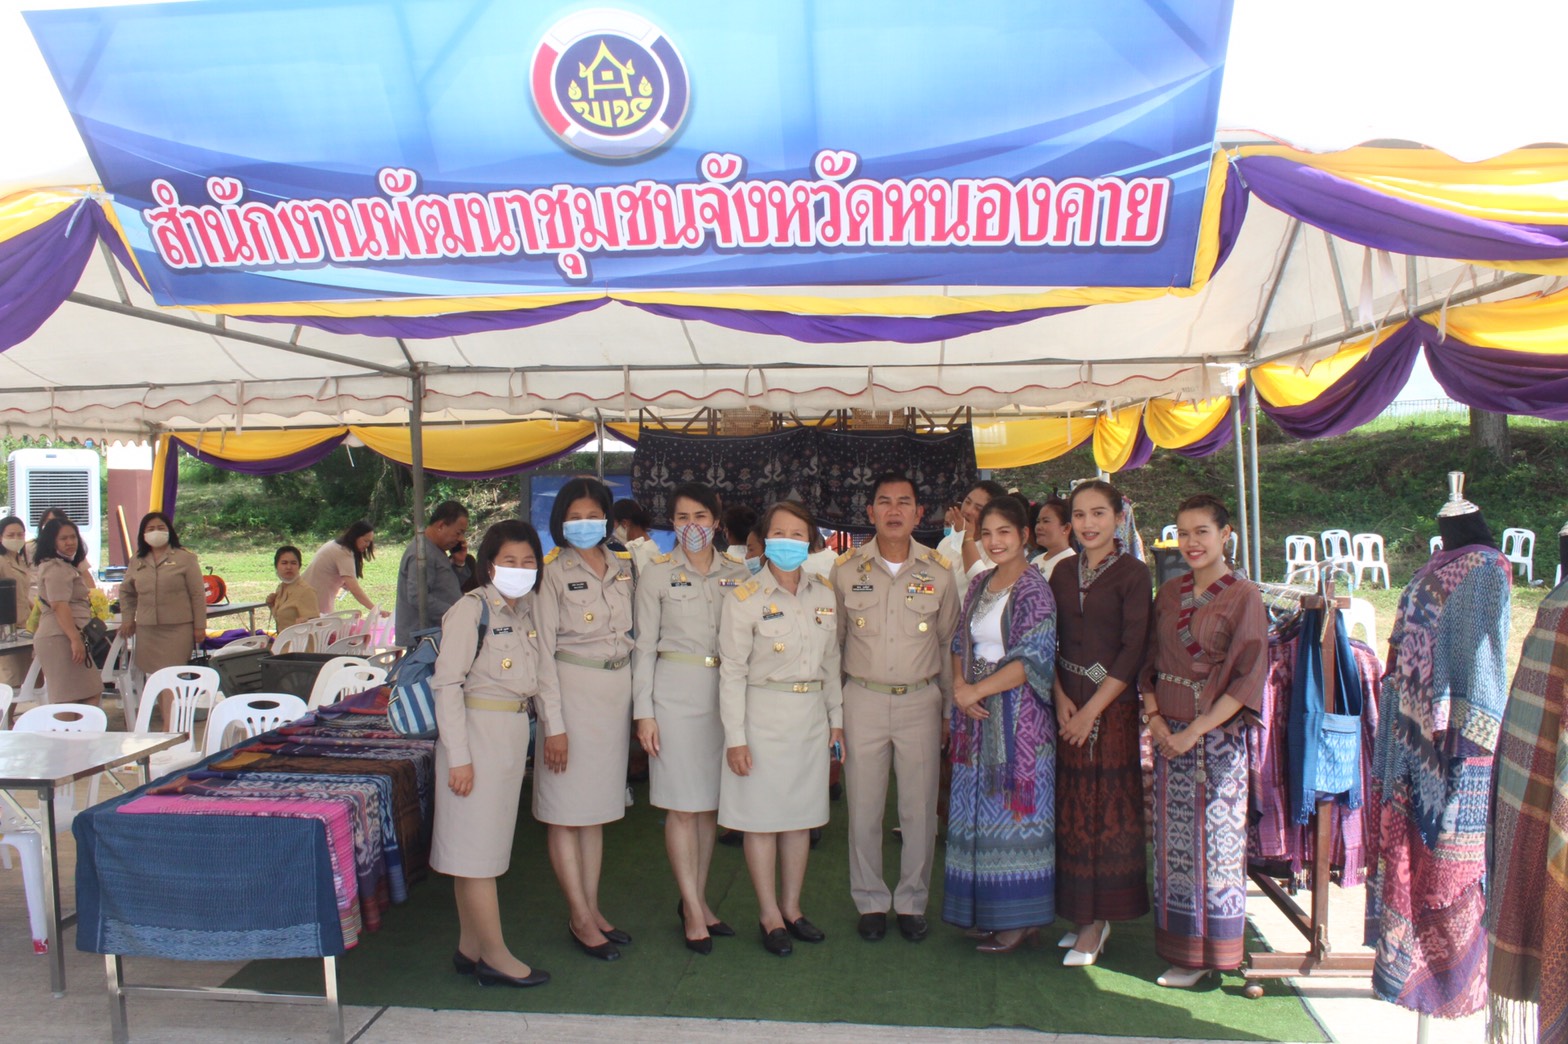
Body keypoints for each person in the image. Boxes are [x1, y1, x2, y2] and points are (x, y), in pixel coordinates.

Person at [1138, 494, 1266, 988]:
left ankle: (1217, 953)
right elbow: (1147, 663)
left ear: (1225, 535)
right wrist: (1154, 719)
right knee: (1172, 847)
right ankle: (1181, 952)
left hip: (1215, 742)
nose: (1191, 543)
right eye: (1182, 533)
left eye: (1202, 532)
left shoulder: (1244, 596)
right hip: (1168, 733)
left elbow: (1247, 677)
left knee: (1216, 846)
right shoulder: (1168, 594)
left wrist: (1196, 729)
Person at [830, 472, 959, 944]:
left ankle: (911, 901)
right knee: (863, 807)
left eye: (904, 502)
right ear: (870, 513)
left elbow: (948, 644)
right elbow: (833, 646)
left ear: (919, 514)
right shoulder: (846, 569)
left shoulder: (938, 571)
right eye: (884, 502)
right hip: (861, 697)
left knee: (919, 807)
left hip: (921, 700)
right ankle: (869, 900)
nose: (894, 510)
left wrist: (947, 710)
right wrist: (835, 714)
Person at [718, 500, 844, 957]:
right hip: (762, 717)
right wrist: (736, 738)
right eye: (780, 533)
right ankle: (769, 912)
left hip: (811, 717)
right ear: (764, 539)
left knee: (800, 818)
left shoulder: (824, 593)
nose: (789, 542)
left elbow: (831, 662)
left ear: (809, 541)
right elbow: (731, 672)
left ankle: (793, 907)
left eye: (798, 534)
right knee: (762, 821)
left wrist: (837, 720)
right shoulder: (745, 598)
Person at [430, 518, 551, 989]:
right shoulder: (471, 610)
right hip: (475, 739)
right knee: (477, 852)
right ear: (488, 565)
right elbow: (447, 684)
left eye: (527, 562)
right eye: (509, 561)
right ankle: (496, 957)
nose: (520, 569)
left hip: (508, 734)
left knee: (479, 850)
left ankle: (470, 947)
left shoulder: (524, 612)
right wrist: (459, 756)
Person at [632, 482, 749, 954]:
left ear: (717, 522)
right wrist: (644, 713)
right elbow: (642, 648)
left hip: (724, 697)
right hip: (674, 697)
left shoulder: (739, 575)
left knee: (708, 807)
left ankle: (695, 901)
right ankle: (693, 909)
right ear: (671, 524)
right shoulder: (655, 574)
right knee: (681, 807)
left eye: (701, 517)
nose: (692, 527)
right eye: (682, 518)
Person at [944, 496, 1059, 952]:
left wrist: (977, 690)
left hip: (1019, 724)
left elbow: (1034, 657)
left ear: (1024, 535)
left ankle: (1021, 917)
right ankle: (987, 912)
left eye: (1004, 533)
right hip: (975, 717)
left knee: (1013, 817)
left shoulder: (1035, 590)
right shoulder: (979, 585)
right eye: (986, 533)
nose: (994, 542)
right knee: (977, 813)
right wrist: (959, 686)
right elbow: (959, 640)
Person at [1048, 478, 1152, 967]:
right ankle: (1078, 914)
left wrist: (1091, 709)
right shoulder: (1062, 572)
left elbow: (1134, 648)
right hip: (1066, 703)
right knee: (1070, 807)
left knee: (1101, 812)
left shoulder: (1133, 573)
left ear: (1117, 519)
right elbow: (1048, 641)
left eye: (1099, 514)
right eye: (1081, 515)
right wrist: (1062, 697)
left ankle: (1098, 921)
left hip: (1111, 710)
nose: (1088, 524)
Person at [533, 477, 635, 961]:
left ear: (608, 518)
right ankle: (577, 915)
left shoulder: (622, 566)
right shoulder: (551, 574)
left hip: (613, 697)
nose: (583, 524)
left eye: (592, 515)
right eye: (573, 517)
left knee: (595, 812)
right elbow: (543, 657)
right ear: (560, 524)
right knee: (564, 811)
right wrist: (554, 725)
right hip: (570, 696)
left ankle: (593, 908)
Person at [118, 511, 206, 729]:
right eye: (150, 529)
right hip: (148, 629)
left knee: (171, 676)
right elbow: (126, 592)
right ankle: (168, 721)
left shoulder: (185, 558)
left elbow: (197, 594)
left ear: (169, 531)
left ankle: (170, 726)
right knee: (156, 677)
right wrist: (129, 618)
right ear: (143, 534)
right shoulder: (137, 561)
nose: (155, 532)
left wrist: (200, 626)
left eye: (160, 528)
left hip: (178, 628)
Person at [30, 517, 101, 706]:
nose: (70, 542)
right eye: (63, 539)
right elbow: (59, 605)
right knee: (69, 698)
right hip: (60, 637)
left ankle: (80, 734)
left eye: (73, 537)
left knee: (88, 693)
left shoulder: (65, 565)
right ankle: (67, 734)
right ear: (51, 541)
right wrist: (75, 639)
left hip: (66, 635)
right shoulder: (55, 568)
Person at [395, 501, 469, 647]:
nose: (460, 539)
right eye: (458, 532)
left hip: (439, 633)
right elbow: (418, 597)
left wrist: (459, 563)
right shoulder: (422, 553)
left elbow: (446, 586)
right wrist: (454, 613)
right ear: (441, 526)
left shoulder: (436, 550)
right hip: (424, 638)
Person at [939, 480, 1007, 590]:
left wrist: (967, 538)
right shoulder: (946, 542)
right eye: (967, 502)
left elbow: (984, 586)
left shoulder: (997, 550)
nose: (968, 511)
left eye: (978, 508)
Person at [301, 521, 379, 616]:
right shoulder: (343, 552)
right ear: (355, 537)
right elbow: (354, 588)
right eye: (365, 541)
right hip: (312, 601)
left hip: (307, 596)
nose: (367, 545)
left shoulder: (334, 544)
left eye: (370, 542)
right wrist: (375, 609)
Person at [0, 515, 35, 690]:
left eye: (20, 535)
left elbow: (21, 593)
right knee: (10, 679)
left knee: (23, 678)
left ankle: (10, 717)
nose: (16, 539)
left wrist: (36, 609)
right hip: (6, 630)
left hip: (24, 625)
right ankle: (6, 717)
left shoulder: (20, 559)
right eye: (11, 535)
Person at [266, 545, 320, 633]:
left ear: (299, 566)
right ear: (276, 566)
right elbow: (282, 619)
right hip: (283, 642)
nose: (289, 567)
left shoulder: (306, 591)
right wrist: (272, 606)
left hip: (300, 645)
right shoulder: (280, 588)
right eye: (284, 563)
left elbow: (316, 625)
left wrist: (306, 622)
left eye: (293, 563)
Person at [611, 498, 659, 574]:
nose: (615, 532)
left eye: (615, 527)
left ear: (624, 523)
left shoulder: (638, 551)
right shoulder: (651, 546)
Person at [1032, 498, 1076, 581]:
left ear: (1066, 528)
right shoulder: (1036, 560)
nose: (1038, 527)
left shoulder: (1072, 565)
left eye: (1046, 521)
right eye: (1038, 521)